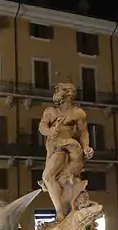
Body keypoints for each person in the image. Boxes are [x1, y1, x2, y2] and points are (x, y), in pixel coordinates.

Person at [38, 82, 93, 220]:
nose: (57, 94)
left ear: (68, 94)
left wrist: (86, 147)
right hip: (52, 147)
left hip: (65, 147)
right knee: (55, 179)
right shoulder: (51, 111)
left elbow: (84, 133)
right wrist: (50, 131)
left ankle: (60, 213)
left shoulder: (78, 113)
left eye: (59, 91)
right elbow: (42, 127)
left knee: (47, 176)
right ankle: (63, 209)